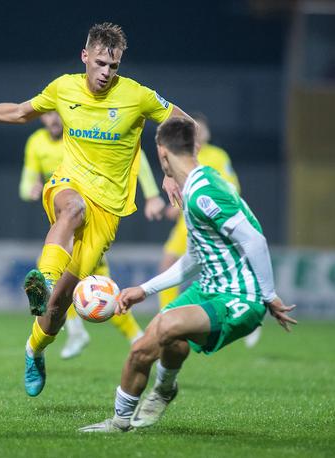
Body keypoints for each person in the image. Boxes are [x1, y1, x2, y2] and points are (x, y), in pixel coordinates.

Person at [0, 22, 194, 397]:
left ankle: (34, 348)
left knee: (55, 311)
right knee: (71, 209)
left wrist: (171, 171)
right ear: (85, 57)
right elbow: (21, 112)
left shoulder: (137, 96)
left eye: (114, 66)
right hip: (68, 185)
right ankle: (46, 278)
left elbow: (182, 122)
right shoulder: (63, 87)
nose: (106, 72)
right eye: (101, 63)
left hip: (108, 210)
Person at [79, 118, 297, 433]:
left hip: (241, 298)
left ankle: (157, 392)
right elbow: (195, 256)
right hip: (209, 289)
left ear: (162, 154)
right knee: (144, 345)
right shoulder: (194, 188)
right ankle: (124, 418)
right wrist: (144, 290)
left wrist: (269, 296)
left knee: (166, 326)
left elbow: (254, 240)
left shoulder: (204, 191)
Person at [20, 111, 166, 359]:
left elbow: (134, 153)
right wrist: (30, 190)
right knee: (93, 289)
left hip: (93, 218)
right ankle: (130, 338)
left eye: (59, 114)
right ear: (43, 118)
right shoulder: (36, 142)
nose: (55, 120)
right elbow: (25, 183)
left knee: (89, 290)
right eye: (49, 115)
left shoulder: (81, 134)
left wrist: (152, 194)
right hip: (65, 216)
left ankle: (83, 333)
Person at [158, 113, 261, 348]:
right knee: (167, 264)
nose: (198, 134)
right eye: (194, 130)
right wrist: (175, 205)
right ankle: (166, 314)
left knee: (231, 271)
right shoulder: (180, 155)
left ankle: (252, 310)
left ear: (207, 133)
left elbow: (230, 186)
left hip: (211, 219)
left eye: (201, 130)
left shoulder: (216, 156)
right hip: (187, 220)